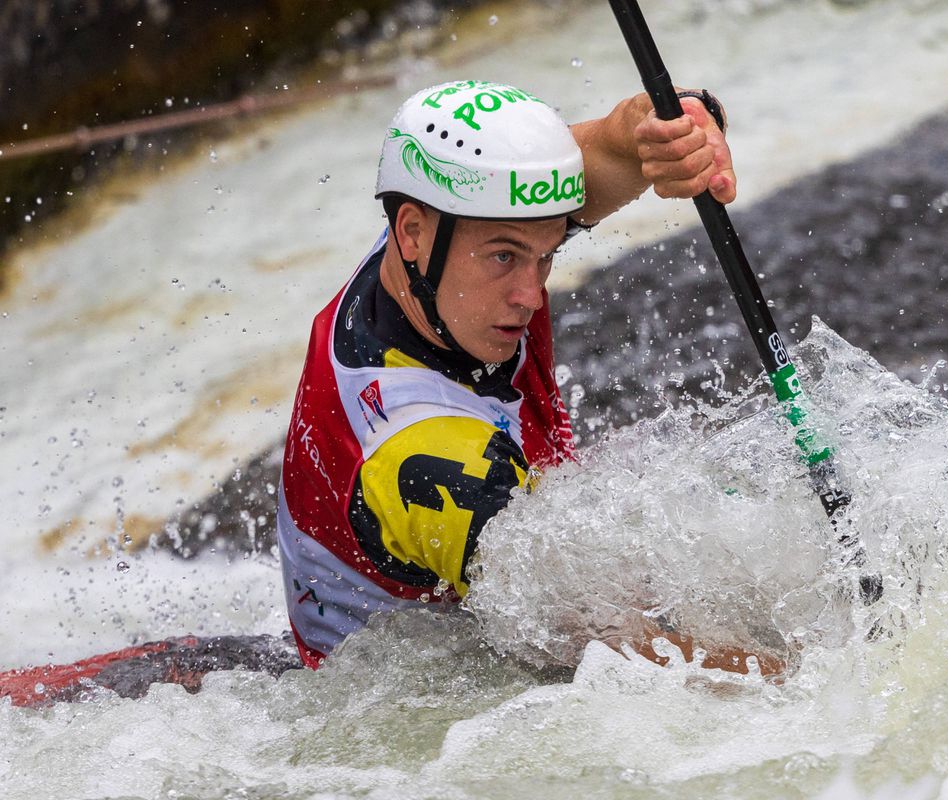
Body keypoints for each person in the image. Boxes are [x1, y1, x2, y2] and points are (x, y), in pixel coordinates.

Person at [276, 79, 774, 676]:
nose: (531, 296)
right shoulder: (434, 464)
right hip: (431, 704)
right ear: (411, 231)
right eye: (505, 257)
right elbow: (646, 662)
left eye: (549, 254)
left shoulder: (435, 248)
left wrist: (682, 122)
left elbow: (621, 147)